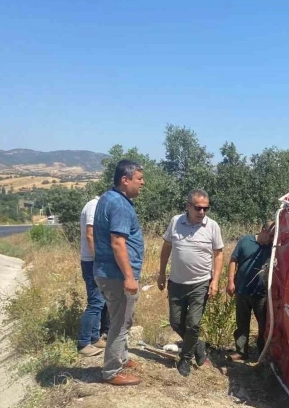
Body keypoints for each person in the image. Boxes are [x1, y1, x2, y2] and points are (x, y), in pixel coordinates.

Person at [157, 189, 224, 378]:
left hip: (200, 283)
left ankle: (185, 359)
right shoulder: (175, 222)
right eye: (198, 208)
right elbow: (166, 247)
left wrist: (215, 281)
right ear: (188, 206)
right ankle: (197, 344)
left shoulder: (212, 226)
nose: (202, 212)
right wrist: (161, 273)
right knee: (176, 322)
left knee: (193, 324)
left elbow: (218, 254)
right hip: (176, 282)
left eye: (206, 208)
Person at [93, 160, 145, 386]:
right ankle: (112, 371)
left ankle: (121, 358)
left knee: (123, 319)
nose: (143, 183)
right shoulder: (120, 205)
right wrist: (129, 277)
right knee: (120, 323)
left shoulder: (108, 198)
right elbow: (117, 243)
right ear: (125, 180)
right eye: (139, 179)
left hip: (108, 272)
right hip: (117, 275)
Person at [226, 222, 274, 361]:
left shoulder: (273, 247)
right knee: (242, 322)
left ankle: (262, 353)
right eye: (270, 236)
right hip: (242, 290)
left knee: (264, 324)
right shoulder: (246, 241)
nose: (272, 240)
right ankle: (241, 351)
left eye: (274, 237)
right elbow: (233, 260)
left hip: (262, 293)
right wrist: (230, 282)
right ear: (263, 230)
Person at [76, 195, 110, 357]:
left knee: (101, 300)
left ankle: (95, 338)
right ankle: (84, 343)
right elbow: (90, 234)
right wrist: (99, 258)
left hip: (94, 261)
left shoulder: (97, 205)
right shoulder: (94, 206)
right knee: (95, 302)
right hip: (92, 262)